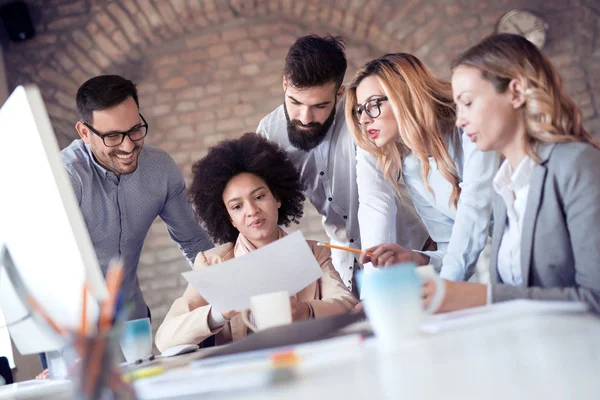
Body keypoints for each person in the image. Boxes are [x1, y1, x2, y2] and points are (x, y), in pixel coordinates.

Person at [426, 33, 600, 313]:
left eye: (468, 102)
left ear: (516, 92)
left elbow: (597, 299)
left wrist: (486, 297)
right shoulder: (503, 186)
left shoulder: (577, 165)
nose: (459, 120)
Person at [256, 34, 428, 293]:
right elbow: (264, 209)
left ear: (340, 93)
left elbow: (376, 201)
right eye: (295, 102)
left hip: (407, 250)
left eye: (320, 106)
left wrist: (376, 280)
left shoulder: (363, 118)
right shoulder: (269, 133)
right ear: (285, 84)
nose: (305, 117)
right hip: (344, 263)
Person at [155, 133, 358, 351]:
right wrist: (219, 313)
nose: (252, 211)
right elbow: (164, 339)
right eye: (237, 207)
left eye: (259, 197)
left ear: (277, 198)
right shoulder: (213, 264)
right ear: (229, 219)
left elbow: (347, 304)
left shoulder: (313, 253)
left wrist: (303, 311)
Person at [61, 75, 213, 321]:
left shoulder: (159, 168)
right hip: (74, 327)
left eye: (134, 130)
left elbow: (194, 243)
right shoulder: (66, 177)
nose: (128, 147)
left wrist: (227, 295)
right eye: (112, 136)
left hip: (133, 317)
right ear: (84, 132)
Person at [346, 53, 499, 281]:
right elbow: (450, 249)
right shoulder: (413, 168)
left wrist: (447, 291)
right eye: (360, 110)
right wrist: (417, 258)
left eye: (373, 105)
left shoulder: (469, 130)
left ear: (404, 95)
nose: (365, 119)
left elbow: (475, 211)